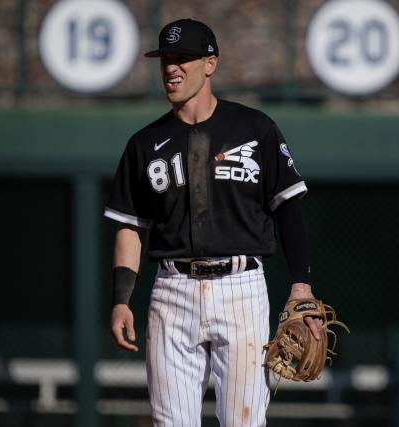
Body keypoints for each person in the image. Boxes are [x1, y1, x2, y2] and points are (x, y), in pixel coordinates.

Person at [104, 18, 321, 427]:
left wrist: (301, 286)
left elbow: (289, 208)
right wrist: (120, 299)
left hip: (240, 290)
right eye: (166, 59)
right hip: (171, 290)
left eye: (182, 58)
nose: (171, 68)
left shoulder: (255, 129)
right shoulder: (143, 144)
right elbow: (130, 226)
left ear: (210, 63)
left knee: (242, 422)